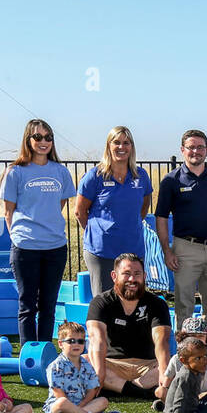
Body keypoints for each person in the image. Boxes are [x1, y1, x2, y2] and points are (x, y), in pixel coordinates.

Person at [0, 119, 75, 343]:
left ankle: (44, 352)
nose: (44, 142)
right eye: (38, 137)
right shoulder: (15, 172)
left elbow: (59, 204)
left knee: (48, 306)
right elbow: (8, 212)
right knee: (27, 306)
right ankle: (28, 354)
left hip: (55, 247)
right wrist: (19, 238)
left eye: (48, 137)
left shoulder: (60, 171)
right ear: (28, 140)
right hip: (26, 247)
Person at [154, 129, 207, 328]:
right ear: (183, 150)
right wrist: (167, 251)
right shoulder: (171, 181)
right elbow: (161, 218)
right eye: (191, 147)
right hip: (185, 248)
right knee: (184, 307)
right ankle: (185, 353)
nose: (196, 151)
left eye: (200, 147)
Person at [75, 126, 152, 296]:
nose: (121, 147)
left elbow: (144, 207)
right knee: (105, 304)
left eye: (126, 143)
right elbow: (80, 212)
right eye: (116, 142)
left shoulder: (141, 176)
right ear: (108, 146)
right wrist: (99, 232)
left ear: (132, 147)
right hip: (102, 252)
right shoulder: (95, 176)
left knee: (132, 301)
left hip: (134, 250)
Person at [85, 254, 173, 397]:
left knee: (178, 364)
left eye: (137, 274)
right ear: (114, 276)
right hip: (111, 365)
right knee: (81, 361)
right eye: (126, 274)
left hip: (148, 367)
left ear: (144, 276)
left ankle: (121, 388)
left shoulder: (157, 304)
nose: (132, 279)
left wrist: (164, 373)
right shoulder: (100, 302)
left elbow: (161, 341)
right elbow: (96, 340)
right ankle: (146, 392)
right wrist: (100, 373)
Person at [44, 320, 123, 413]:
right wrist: (72, 407)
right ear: (60, 344)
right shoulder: (56, 365)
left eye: (80, 341)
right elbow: (58, 392)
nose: (76, 344)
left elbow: (92, 390)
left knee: (103, 401)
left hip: (81, 404)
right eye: (71, 341)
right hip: (59, 406)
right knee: (62, 402)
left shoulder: (86, 364)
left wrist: (82, 404)